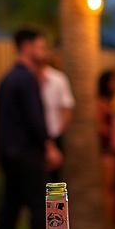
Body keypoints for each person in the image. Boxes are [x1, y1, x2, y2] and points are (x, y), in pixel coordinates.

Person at [0, 28, 61, 229]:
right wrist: (48, 145)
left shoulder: (10, 77)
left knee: (10, 208)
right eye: (40, 47)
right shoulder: (25, 79)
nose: (44, 52)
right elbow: (35, 118)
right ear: (26, 47)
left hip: (10, 153)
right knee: (38, 207)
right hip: (26, 154)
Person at [96, 69, 115, 229]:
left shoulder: (114, 102)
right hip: (107, 152)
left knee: (113, 190)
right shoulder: (100, 103)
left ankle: (112, 226)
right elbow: (99, 126)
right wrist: (113, 131)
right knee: (108, 190)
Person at [40, 52, 75, 180]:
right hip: (32, 140)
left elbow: (67, 108)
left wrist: (57, 134)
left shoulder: (58, 79)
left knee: (55, 182)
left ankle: (57, 202)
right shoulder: (25, 79)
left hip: (54, 135)